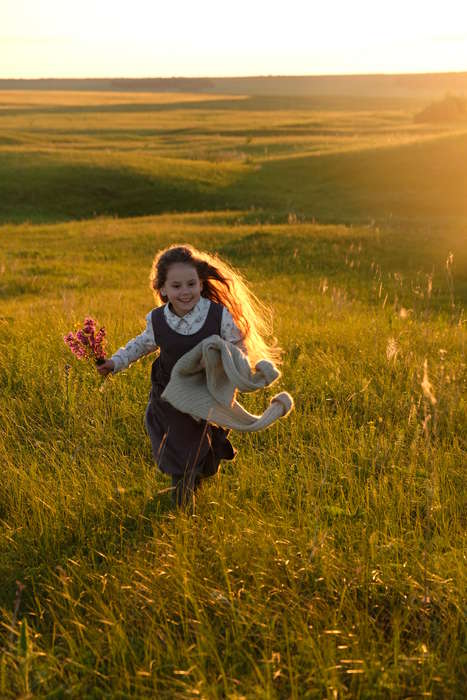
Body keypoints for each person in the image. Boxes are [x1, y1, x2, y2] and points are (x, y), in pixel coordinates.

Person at [97, 244, 280, 508]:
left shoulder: (218, 316)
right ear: (162, 289)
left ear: (201, 284)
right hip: (169, 394)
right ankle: (183, 504)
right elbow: (141, 345)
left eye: (191, 284)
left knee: (201, 453)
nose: (185, 292)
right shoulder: (158, 320)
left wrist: (242, 371)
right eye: (176, 286)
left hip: (206, 393)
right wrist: (115, 362)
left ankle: (205, 462)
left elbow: (237, 347)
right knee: (179, 447)